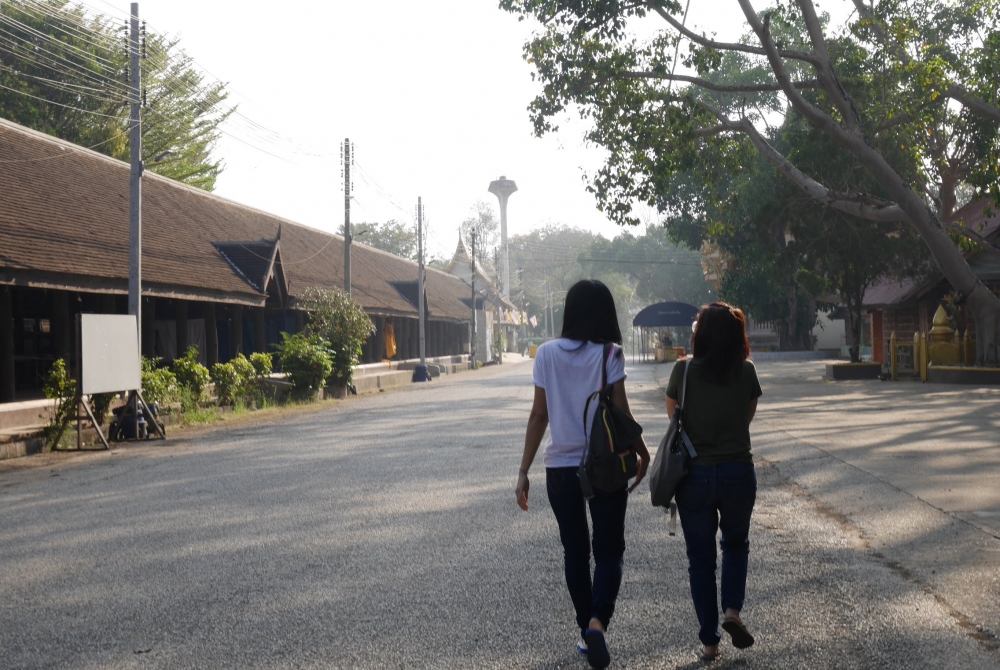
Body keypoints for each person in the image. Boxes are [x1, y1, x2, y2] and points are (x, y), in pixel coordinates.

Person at [515, 280, 651, 669]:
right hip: (604, 465)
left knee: (575, 552)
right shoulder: (609, 354)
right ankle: (597, 624)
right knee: (609, 550)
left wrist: (523, 471)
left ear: (570, 312)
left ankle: (585, 631)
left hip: (560, 469)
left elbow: (539, 415)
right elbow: (621, 413)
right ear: (605, 314)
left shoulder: (546, 353)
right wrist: (642, 452)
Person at [665, 302, 762, 662]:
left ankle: (709, 642)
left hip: (695, 476)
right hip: (738, 471)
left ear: (700, 334)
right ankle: (732, 611)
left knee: (700, 559)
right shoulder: (747, 371)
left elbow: (674, 419)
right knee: (736, 544)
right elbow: (745, 419)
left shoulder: (683, 370)